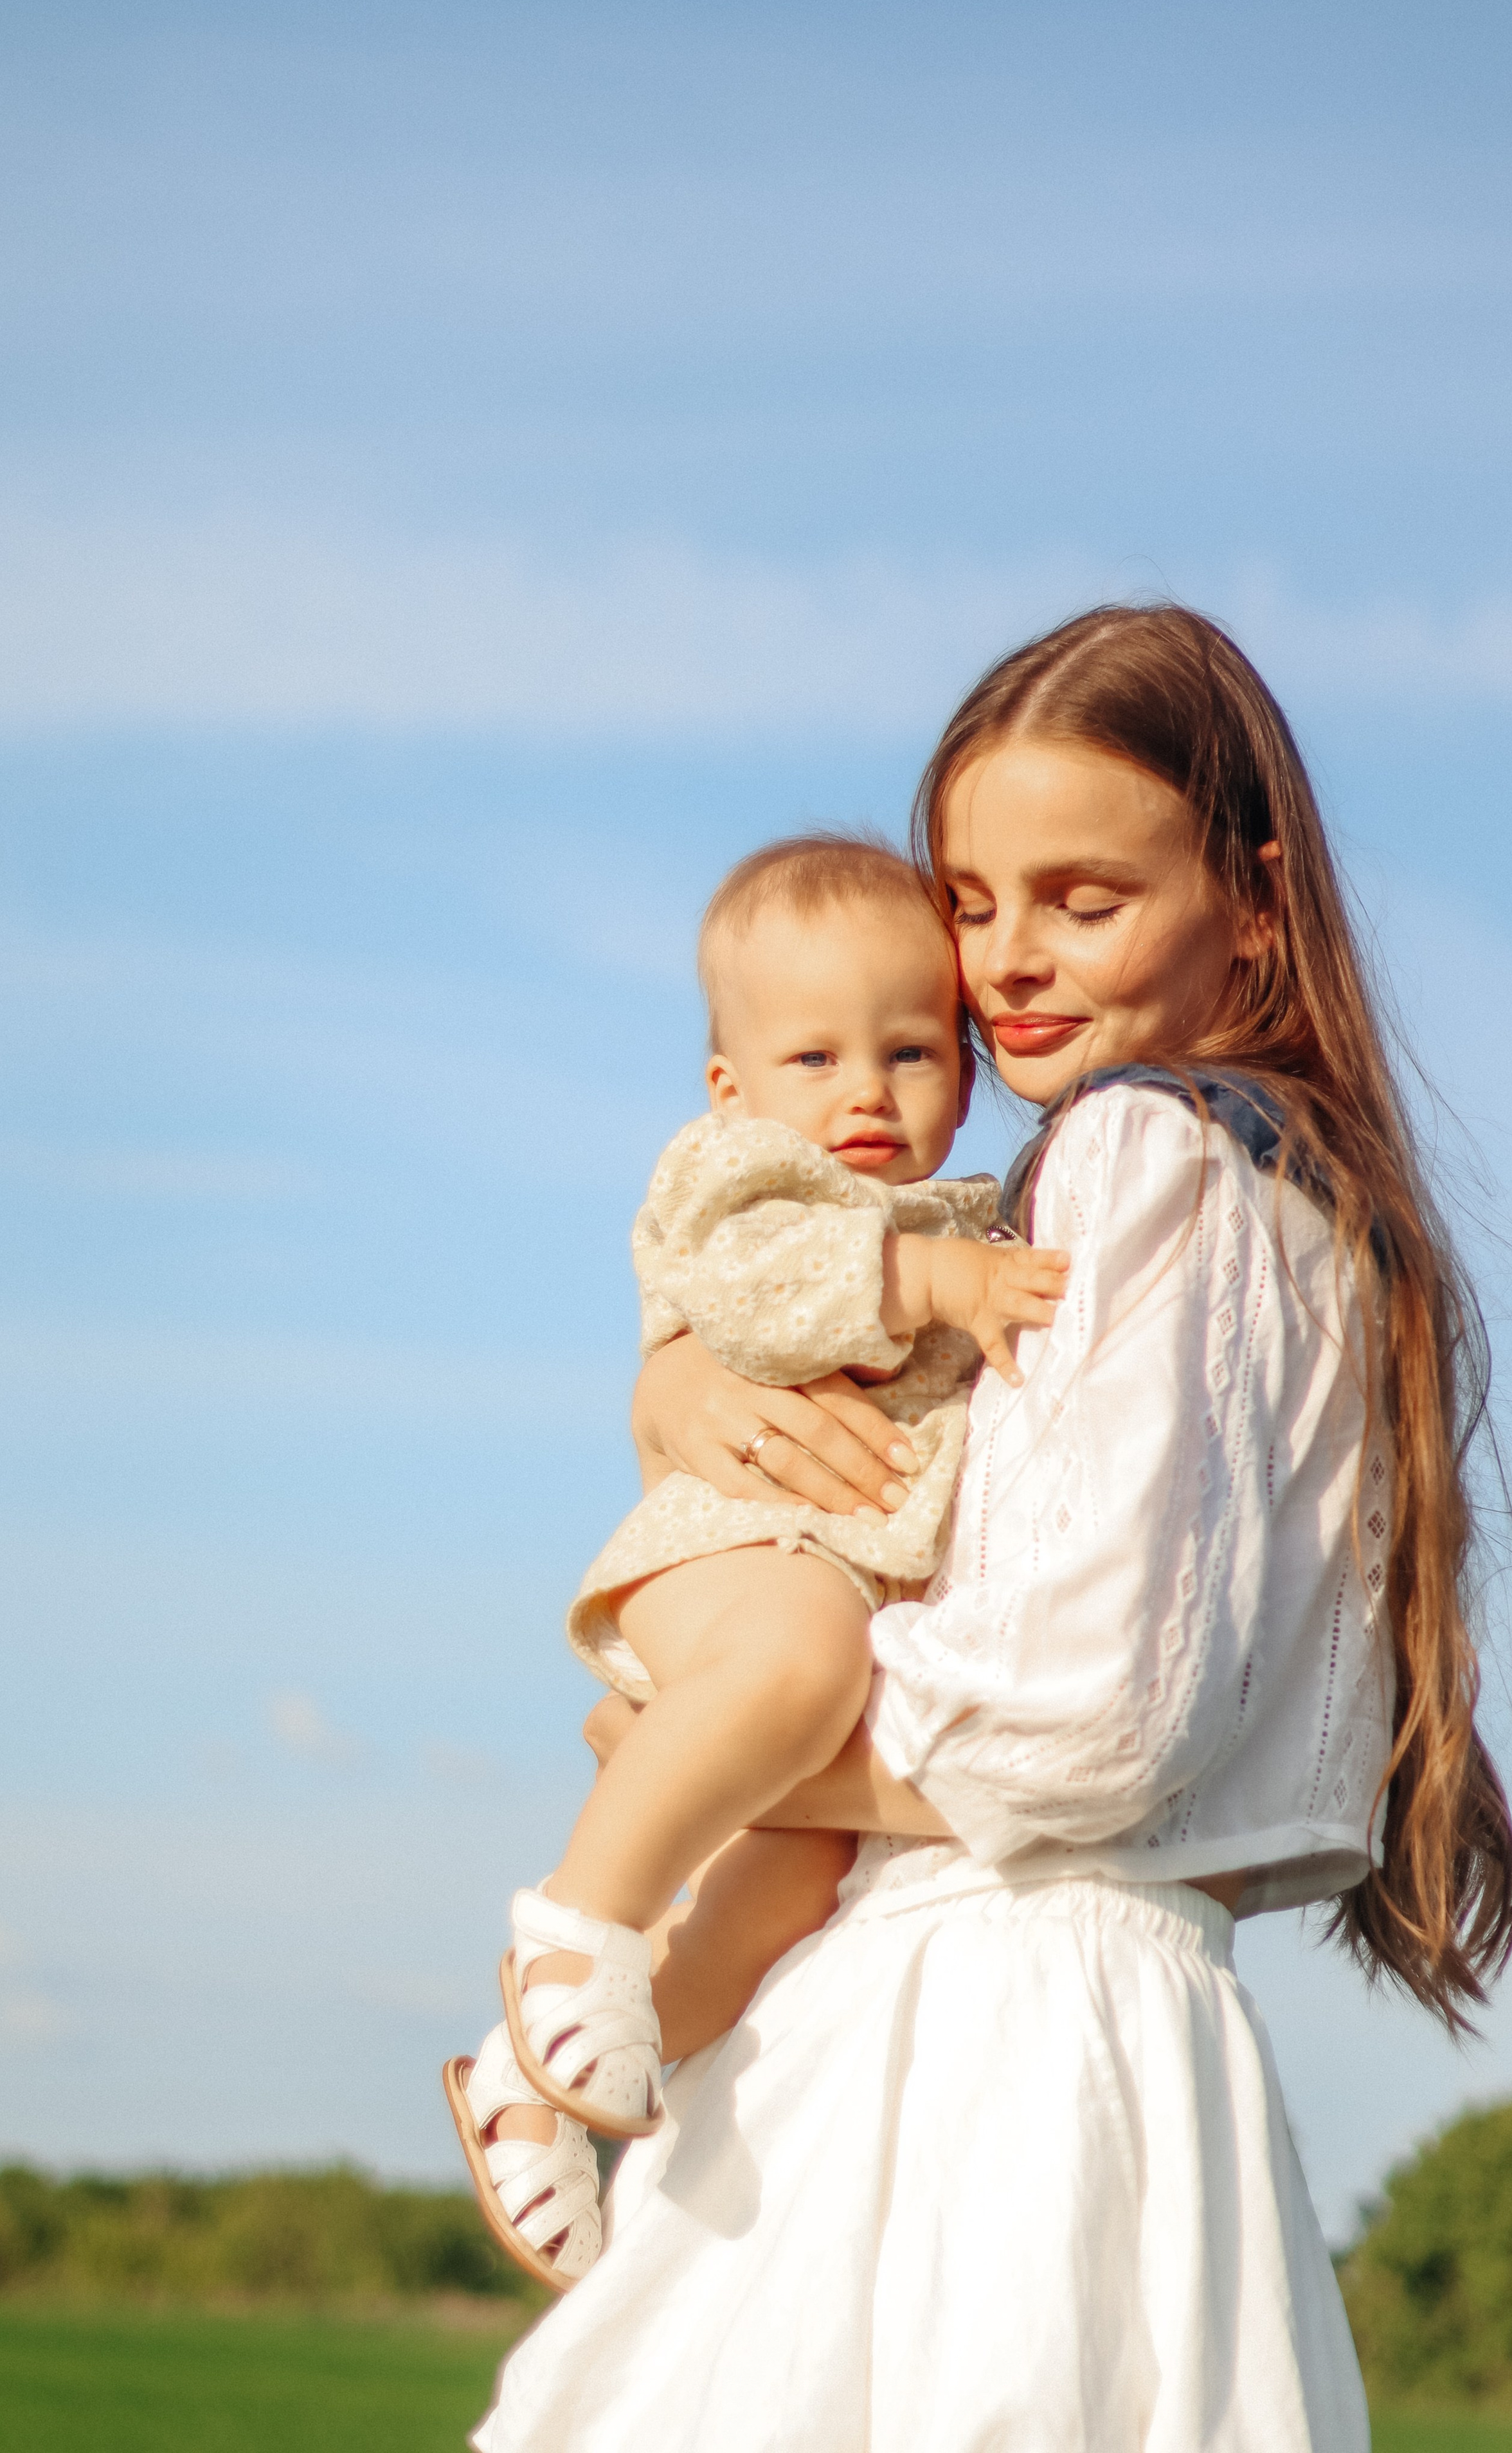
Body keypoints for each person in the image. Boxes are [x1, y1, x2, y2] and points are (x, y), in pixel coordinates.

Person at [475, 604, 1512, 2451]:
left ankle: (566, 1994)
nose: (1008, 964)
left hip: (985, 2023)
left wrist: (713, 1755)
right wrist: (676, 1385)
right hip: (1126, 2029)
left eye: (1084, 900)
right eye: (969, 901)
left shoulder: (1141, 1152)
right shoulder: (1319, 1206)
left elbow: (1086, 1719)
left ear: (1256, 901)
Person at [444, 835, 1067, 2292]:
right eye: (813, 1057)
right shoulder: (740, 1180)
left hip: (827, 1570)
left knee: (779, 1893)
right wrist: (931, 1286)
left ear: (964, 1072)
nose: (864, 1091)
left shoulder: (967, 1216)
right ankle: (571, 1929)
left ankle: (532, 2088)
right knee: (794, 1666)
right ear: (730, 1084)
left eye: (911, 1051)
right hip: (731, 1549)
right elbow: (754, 1293)